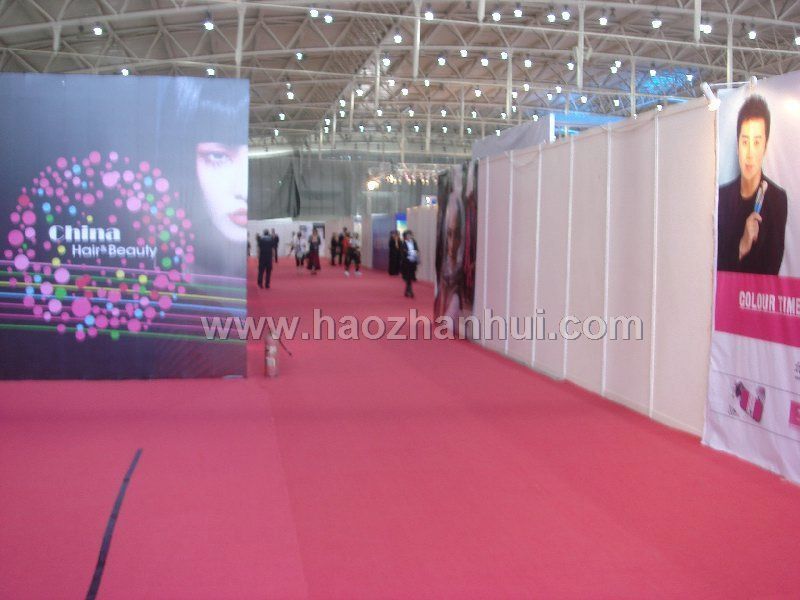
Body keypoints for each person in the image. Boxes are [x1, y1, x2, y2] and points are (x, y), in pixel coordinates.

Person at [717, 95, 788, 275]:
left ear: (765, 146)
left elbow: (772, 269)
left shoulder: (777, 200)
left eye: (756, 142)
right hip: (725, 292)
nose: (750, 153)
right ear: (737, 145)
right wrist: (742, 246)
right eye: (745, 142)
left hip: (757, 293)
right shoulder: (721, 198)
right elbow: (714, 264)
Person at [435, 196, 465, 320]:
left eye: (457, 235)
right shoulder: (444, 270)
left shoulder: (461, 275)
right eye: (449, 234)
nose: (452, 244)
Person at [401, 230, 419, 297]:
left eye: (410, 235)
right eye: (407, 235)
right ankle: (410, 291)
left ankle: (407, 291)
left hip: (413, 262)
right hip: (406, 262)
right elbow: (403, 252)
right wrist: (410, 252)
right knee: (408, 277)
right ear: (405, 236)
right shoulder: (403, 243)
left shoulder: (414, 242)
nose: (409, 236)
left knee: (411, 277)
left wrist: (413, 252)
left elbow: (417, 249)